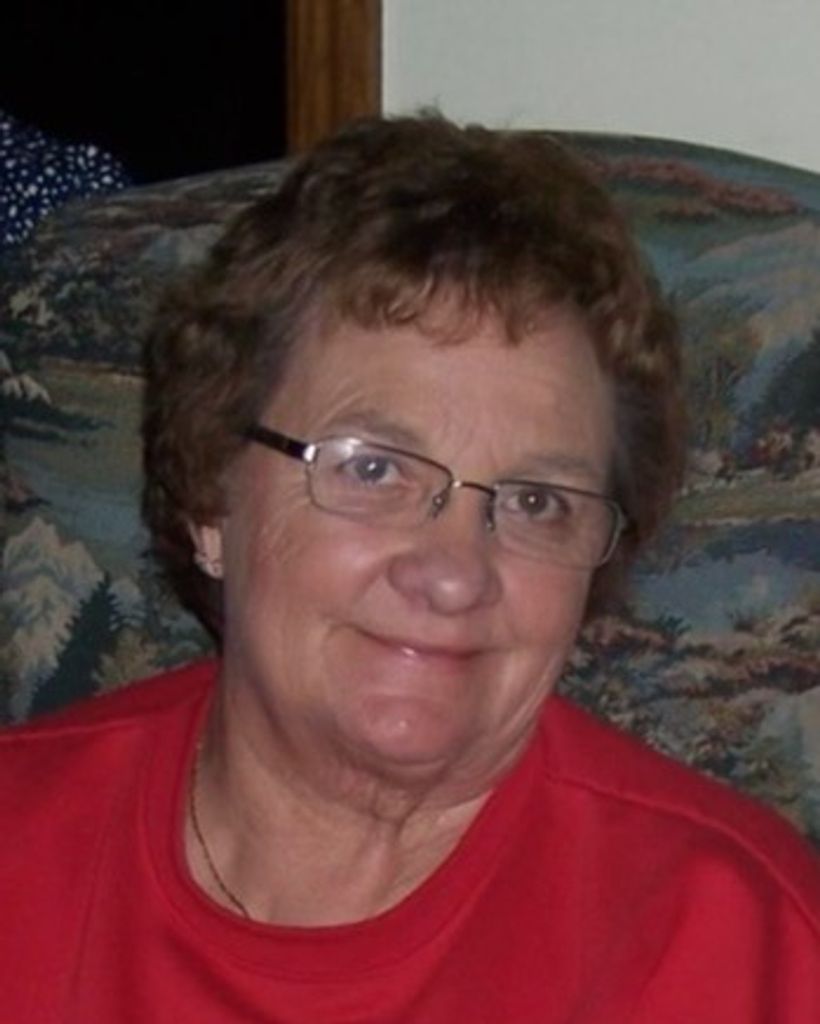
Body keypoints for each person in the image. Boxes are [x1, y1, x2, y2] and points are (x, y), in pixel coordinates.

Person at [1, 113, 818, 1023]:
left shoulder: (735, 941)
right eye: (374, 469)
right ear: (210, 501)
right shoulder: (18, 859)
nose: (454, 573)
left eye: (535, 501)